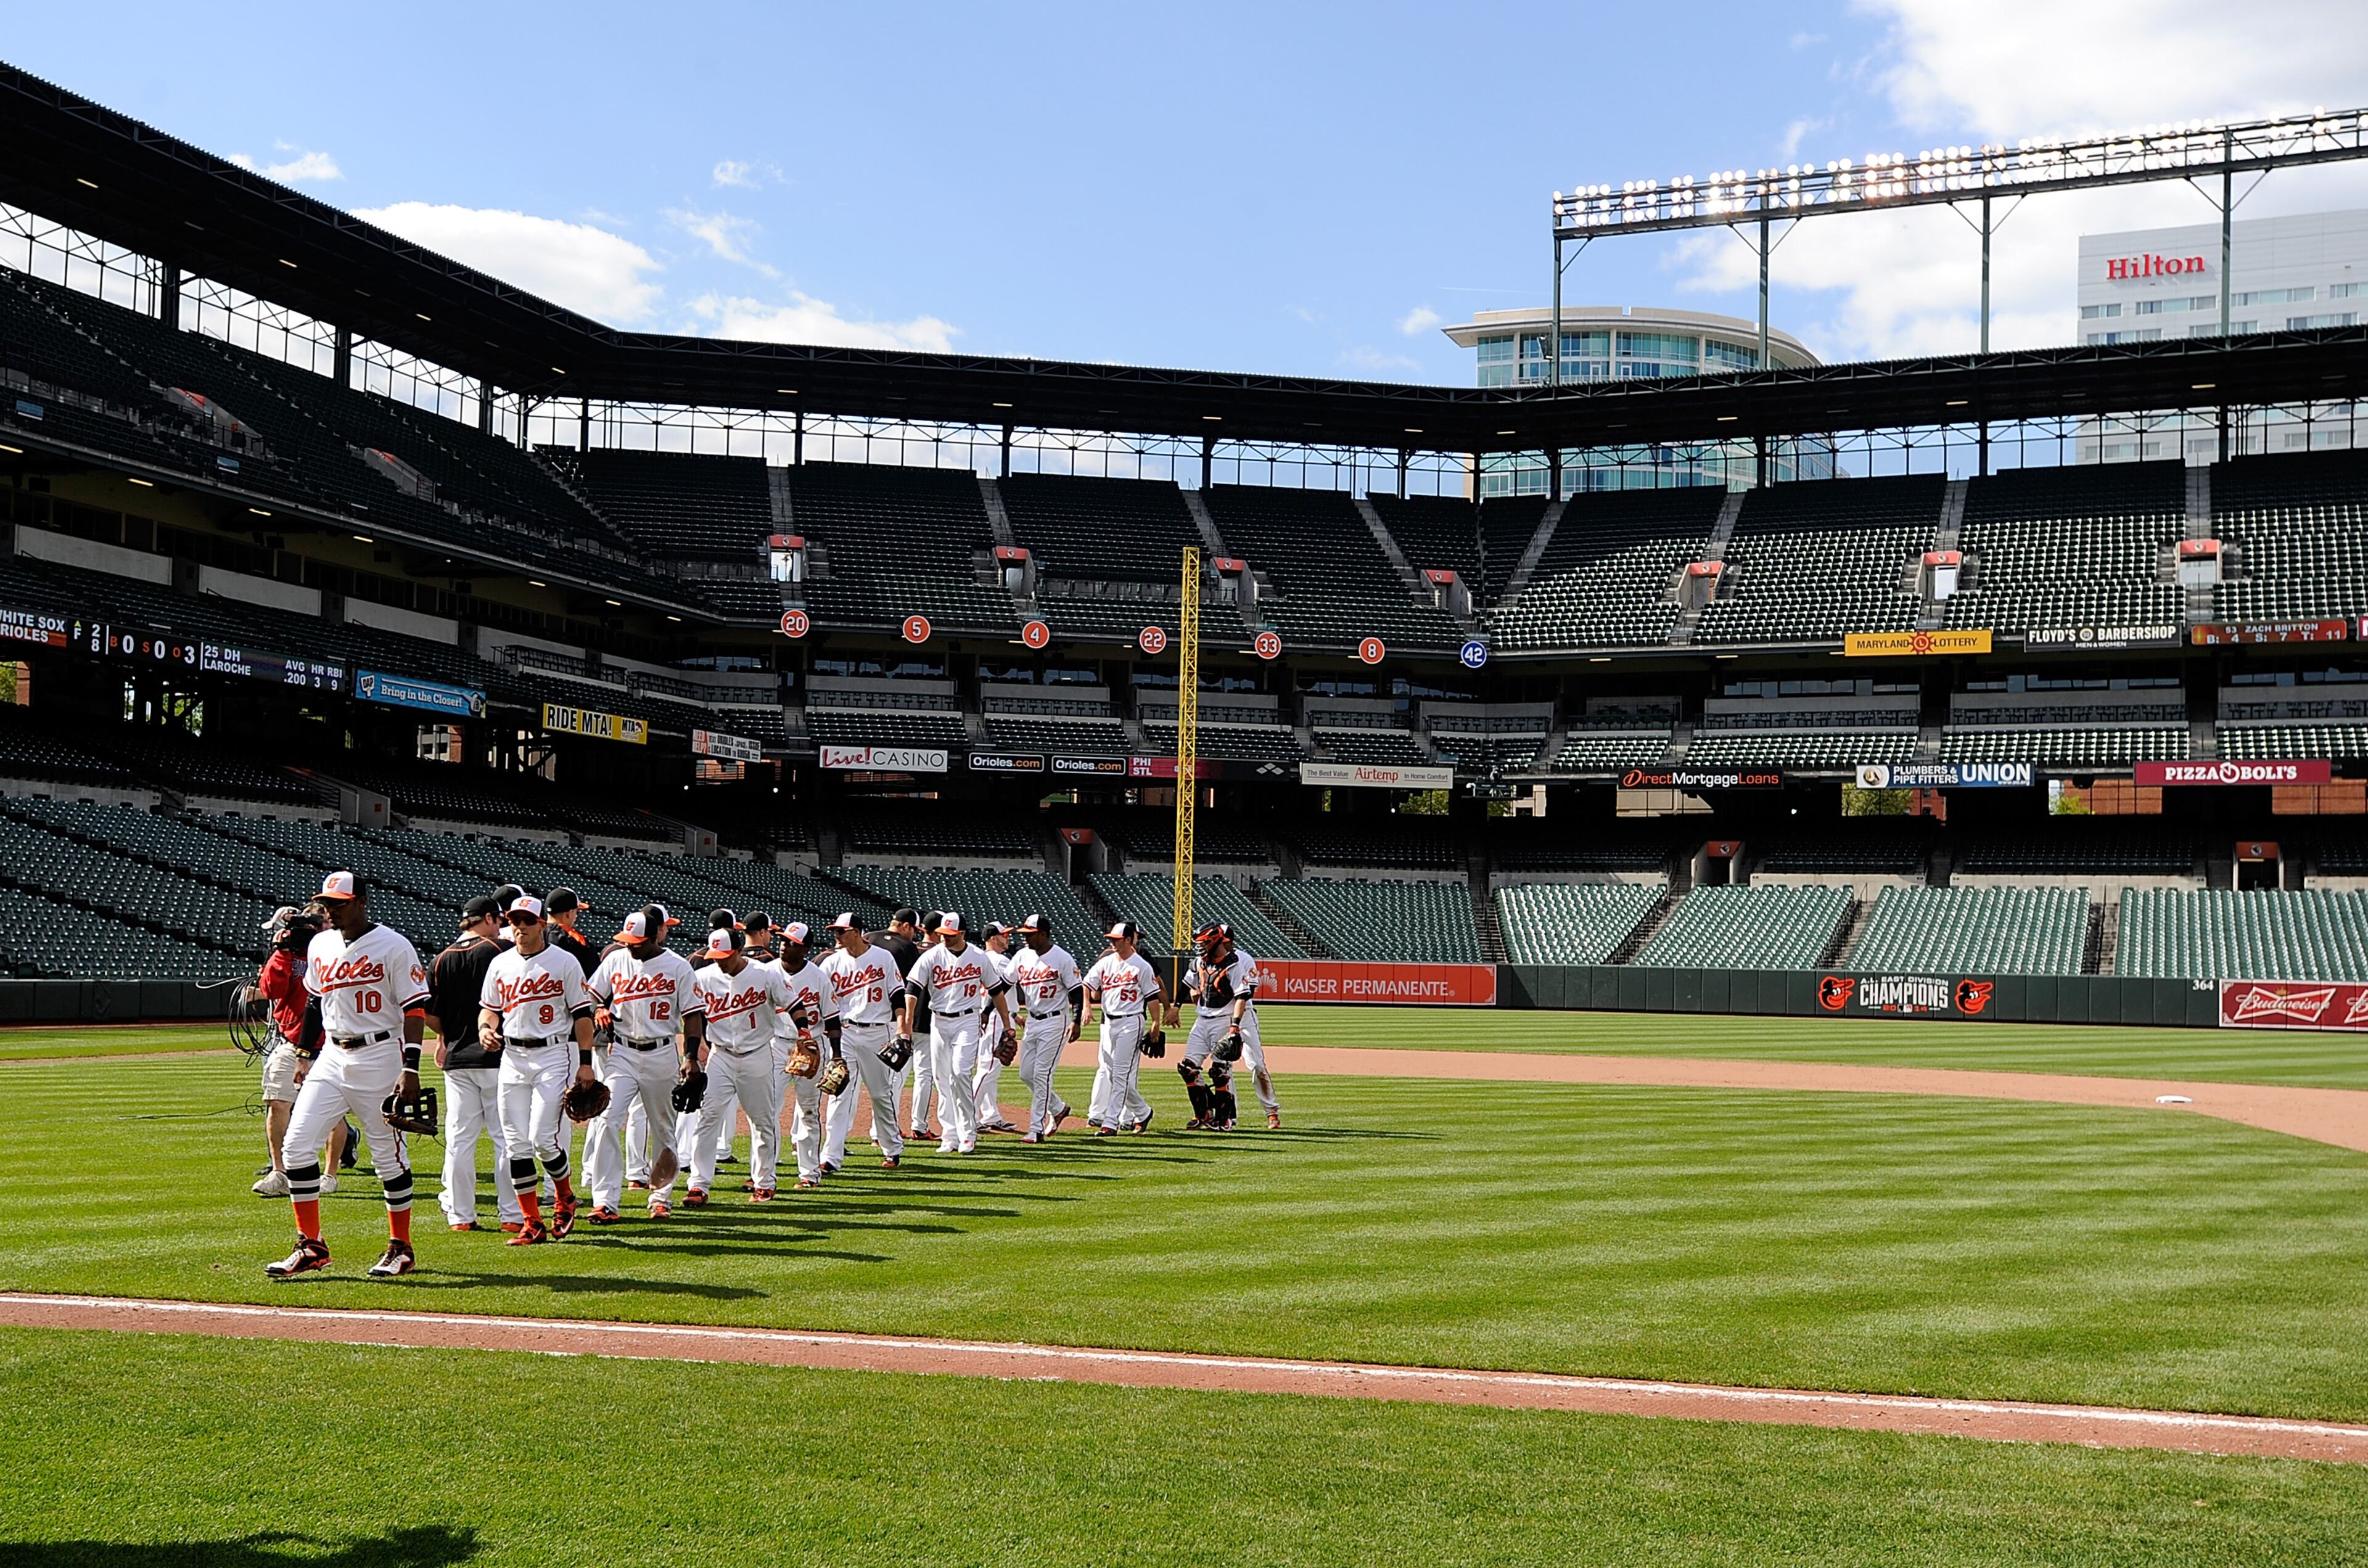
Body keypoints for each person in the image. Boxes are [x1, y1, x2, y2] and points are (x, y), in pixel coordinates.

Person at [263, 872, 430, 1281]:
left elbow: (415, 1008)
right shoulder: (320, 943)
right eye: (326, 903)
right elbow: (315, 1002)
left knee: (388, 1158)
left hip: (380, 1053)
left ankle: (401, 1247)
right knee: (298, 1145)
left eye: (339, 902)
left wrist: (411, 1066)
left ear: (361, 902)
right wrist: (303, 1052)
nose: (331, 909)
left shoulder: (394, 944)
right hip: (332, 1055)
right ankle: (311, 1244)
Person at [478, 893, 597, 1245]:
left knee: (544, 1140)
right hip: (512, 1057)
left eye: (527, 921)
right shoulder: (499, 964)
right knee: (516, 1145)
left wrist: (586, 1064)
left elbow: (582, 1016)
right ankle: (532, 1222)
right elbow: (489, 1009)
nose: (519, 928)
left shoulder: (564, 962)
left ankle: (565, 1198)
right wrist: (486, 1029)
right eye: (514, 921)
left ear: (542, 924)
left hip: (552, 1055)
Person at [584, 906, 702, 1221]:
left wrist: (691, 1056)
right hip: (622, 1052)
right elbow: (593, 996)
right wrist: (599, 1010)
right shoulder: (616, 960)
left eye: (636, 941)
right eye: (627, 940)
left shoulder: (678, 967)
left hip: (662, 1053)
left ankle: (661, 1197)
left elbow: (693, 1015)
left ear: (654, 937)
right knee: (606, 1118)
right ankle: (606, 1201)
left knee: (664, 1127)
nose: (630, 945)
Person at [684, 924, 797, 1204]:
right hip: (720, 1056)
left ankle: (764, 1182)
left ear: (738, 951)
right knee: (707, 1119)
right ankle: (699, 1185)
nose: (719, 961)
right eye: (715, 955)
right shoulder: (703, 977)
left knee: (762, 1121)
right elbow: (692, 1015)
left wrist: (804, 1035)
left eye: (724, 955)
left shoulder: (765, 974)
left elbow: (794, 1005)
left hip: (758, 1055)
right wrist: (692, 1050)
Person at [429, 896, 521, 1232]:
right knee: (506, 1138)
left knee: (459, 1139)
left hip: (457, 1057)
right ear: (486, 918)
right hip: (496, 1055)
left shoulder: (441, 959)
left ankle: (461, 1216)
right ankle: (511, 1215)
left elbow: (430, 1015)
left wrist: (447, 1038)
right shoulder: (498, 951)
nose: (500, 925)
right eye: (497, 919)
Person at [247, 905, 349, 1198]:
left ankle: (329, 1175)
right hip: (291, 1041)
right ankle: (279, 1171)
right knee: (277, 1103)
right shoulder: (288, 954)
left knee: (335, 1115)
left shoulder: (337, 950)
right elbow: (271, 990)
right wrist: (282, 950)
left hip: (331, 1043)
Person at [900, 913, 1018, 1155]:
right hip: (939, 1021)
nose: (945, 939)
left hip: (967, 1019)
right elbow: (912, 988)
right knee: (942, 1078)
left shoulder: (977, 957)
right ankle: (950, 1135)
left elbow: (997, 992)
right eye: (943, 934)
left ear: (962, 934)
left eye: (951, 935)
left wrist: (1007, 1025)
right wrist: (908, 1022)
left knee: (960, 1073)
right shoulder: (932, 955)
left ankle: (968, 1134)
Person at [1169, 922, 1280, 1131]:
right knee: (1219, 1068)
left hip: (1243, 1015)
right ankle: (1225, 1115)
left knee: (1256, 1064)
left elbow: (1245, 995)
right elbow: (1190, 983)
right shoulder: (1203, 962)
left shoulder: (1242, 960)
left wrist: (1235, 1027)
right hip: (1215, 1018)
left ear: (1225, 941)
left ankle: (1271, 1111)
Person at [819, 913, 908, 1172]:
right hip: (845, 1033)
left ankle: (892, 1148)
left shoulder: (882, 958)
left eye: (841, 931)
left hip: (877, 1032)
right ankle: (831, 1158)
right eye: (835, 931)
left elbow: (898, 997)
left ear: (856, 932)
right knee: (838, 1093)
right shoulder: (831, 963)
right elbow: (822, 1001)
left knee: (880, 1094)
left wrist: (901, 1030)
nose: (836, 935)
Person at [1002, 914, 1083, 1143]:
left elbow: (1076, 991)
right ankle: (1058, 1108)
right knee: (1025, 1073)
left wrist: (1076, 1021)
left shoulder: (1062, 958)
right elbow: (1004, 984)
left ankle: (1036, 1129)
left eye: (1030, 934)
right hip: (1032, 1021)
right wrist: (987, 1011)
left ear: (1044, 935)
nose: (1025, 938)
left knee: (1041, 1074)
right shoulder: (1021, 956)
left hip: (1055, 1021)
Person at [1079, 921, 1163, 1136]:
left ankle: (1110, 1122)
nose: (1113, 943)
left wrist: (1155, 1023)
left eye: (1117, 940)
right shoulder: (1105, 963)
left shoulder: (1141, 966)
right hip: (1108, 1023)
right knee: (1111, 1071)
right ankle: (1143, 1112)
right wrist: (1087, 1006)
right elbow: (1087, 985)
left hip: (1131, 1021)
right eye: (1111, 940)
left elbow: (1152, 997)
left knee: (1121, 1072)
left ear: (1129, 940)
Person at [770, 922, 835, 1191]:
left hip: (811, 1046)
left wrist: (838, 1056)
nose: (785, 945)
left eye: (792, 943)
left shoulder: (819, 977)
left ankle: (809, 1173)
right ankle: (763, 1172)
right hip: (775, 1045)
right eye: (784, 940)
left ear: (806, 948)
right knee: (766, 1111)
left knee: (809, 1111)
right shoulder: (766, 972)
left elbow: (832, 1019)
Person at [878, 908, 937, 1141]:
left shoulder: (873, 941)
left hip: (893, 1019)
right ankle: (919, 1126)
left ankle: (884, 1127)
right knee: (924, 1075)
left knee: (892, 1075)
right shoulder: (935, 953)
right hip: (925, 1020)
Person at [969, 921, 1021, 1133]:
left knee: (990, 1068)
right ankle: (968, 1116)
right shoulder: (1000, 961)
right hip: (994, 1017)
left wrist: (1015, 1015)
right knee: (988, 1068)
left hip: (986, 1015)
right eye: (1003, 935)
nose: (1007, 938)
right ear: (992, 938)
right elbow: (1001, 991)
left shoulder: (977, 958)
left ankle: (991, 1115)